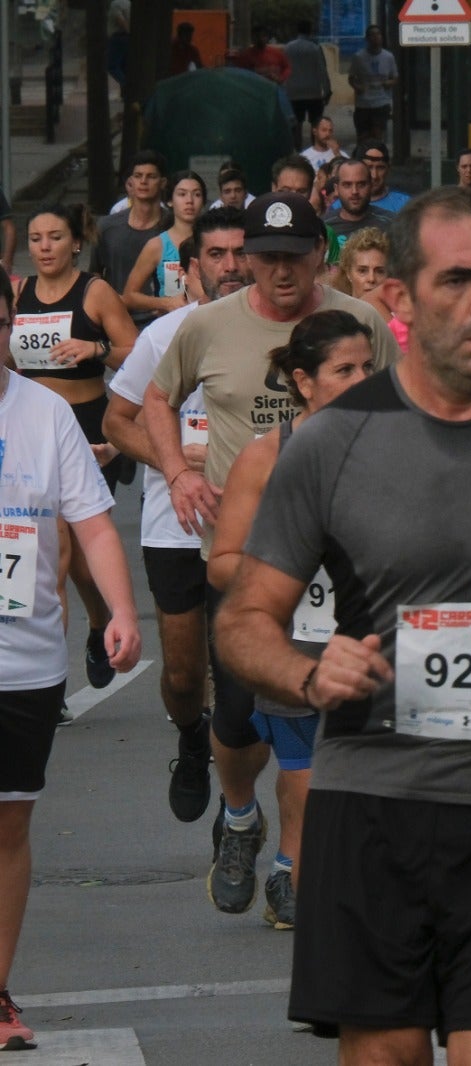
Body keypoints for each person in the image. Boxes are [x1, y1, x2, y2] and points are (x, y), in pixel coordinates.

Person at [213, 185, 471, 1064]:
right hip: (373, 806)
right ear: (397, 299)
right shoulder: (332, 443)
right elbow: (245, 618)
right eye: (456, 281)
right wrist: (304, 674)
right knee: (387, 1055)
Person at [144, 192, 400, 925]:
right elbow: (155, 401)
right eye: (266, 256)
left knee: (322, 746)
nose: (279, 270)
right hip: (254, 569)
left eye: (294, 255)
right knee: (235, 722)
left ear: (323, 252)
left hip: (355, 593)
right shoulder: (208, 328)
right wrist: (181, 473)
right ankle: (239, 822)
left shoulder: (364, 323)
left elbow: (409, 405)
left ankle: (297, 869)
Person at [0, 273, 143, 1054]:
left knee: (8, 822)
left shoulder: (45, 412)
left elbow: (91, 525)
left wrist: (119, 610)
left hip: (24, 660)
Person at [205, 310, 377, 932]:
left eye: (368, 368)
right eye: (344, 370)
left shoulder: (400, 447)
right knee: (304, 778)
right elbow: (223, 562)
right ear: (304, 382)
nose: (362, 380)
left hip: (375, 646)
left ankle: (290, 869)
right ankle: (262, 842)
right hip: (293, 645)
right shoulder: (267, 456)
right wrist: (287, 570)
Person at [103, 208, 250, 826]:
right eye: (214, 255)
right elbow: (117, 421)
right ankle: (192, 739)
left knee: (242, 688)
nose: (230, 267)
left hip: (249, 526)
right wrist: (177, 466)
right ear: (190, 270)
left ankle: (238, 808)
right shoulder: (168, 337)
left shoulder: (281, 334)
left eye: (240, 253)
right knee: (187, 676)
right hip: (177, 523)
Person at [14, 204, 140, 690]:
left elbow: (136, 351)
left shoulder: (95, 292)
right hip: (30, 430)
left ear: (75, 244)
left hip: (87, 429)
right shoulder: (21, 293)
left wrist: (97, 350)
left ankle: (96, 621)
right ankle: (48, 680)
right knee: (52, 551)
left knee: (80, 558)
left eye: (55, 238)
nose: (44, 247)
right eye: (36, 238)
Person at [94, 151, 171, 328]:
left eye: (151, 176)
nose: (143, 181)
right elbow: (95, 274)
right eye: (138, 176)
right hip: (115, 320)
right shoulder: (106, 226)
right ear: (130, 182)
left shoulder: (173, 227)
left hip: (161, 320)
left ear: (163, 183)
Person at [122, 170, 208, 318]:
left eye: (197, 194)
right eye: (182, 194)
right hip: (170, 325)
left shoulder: (213, 242)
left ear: (204, 201)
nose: (190, 200)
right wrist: (164, 303)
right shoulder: (157, 245)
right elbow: (129, 296)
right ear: (169, 201)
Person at [322, 159, 396, 272]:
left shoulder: (391, 223)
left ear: (371, 186)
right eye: (347, 185)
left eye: (361, 184)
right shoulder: (323, 226)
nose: (354, 191)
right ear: (337, 189)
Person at [284, 21, 333, 149]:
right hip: (313, 92)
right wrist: (327, 91)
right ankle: (315, 149)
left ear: (297, 30)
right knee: (315, 125)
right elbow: (322, 70)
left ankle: (298, 151)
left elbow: (284, 69)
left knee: (297, 125)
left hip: (293, 93)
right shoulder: (315, 48)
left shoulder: (288, 48)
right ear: (310, 31)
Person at [349, 26, 397, 143]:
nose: (376, 38)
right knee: (363, 137)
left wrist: (388, 83)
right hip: (363, 103)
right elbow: (351, 78)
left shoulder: (388, 57)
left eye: (378, 34)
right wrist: (357, 87)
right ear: (367, 38)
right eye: (372, 35)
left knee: (377, 135)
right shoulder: (358, 57)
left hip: (381, 102)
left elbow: (395, 77)